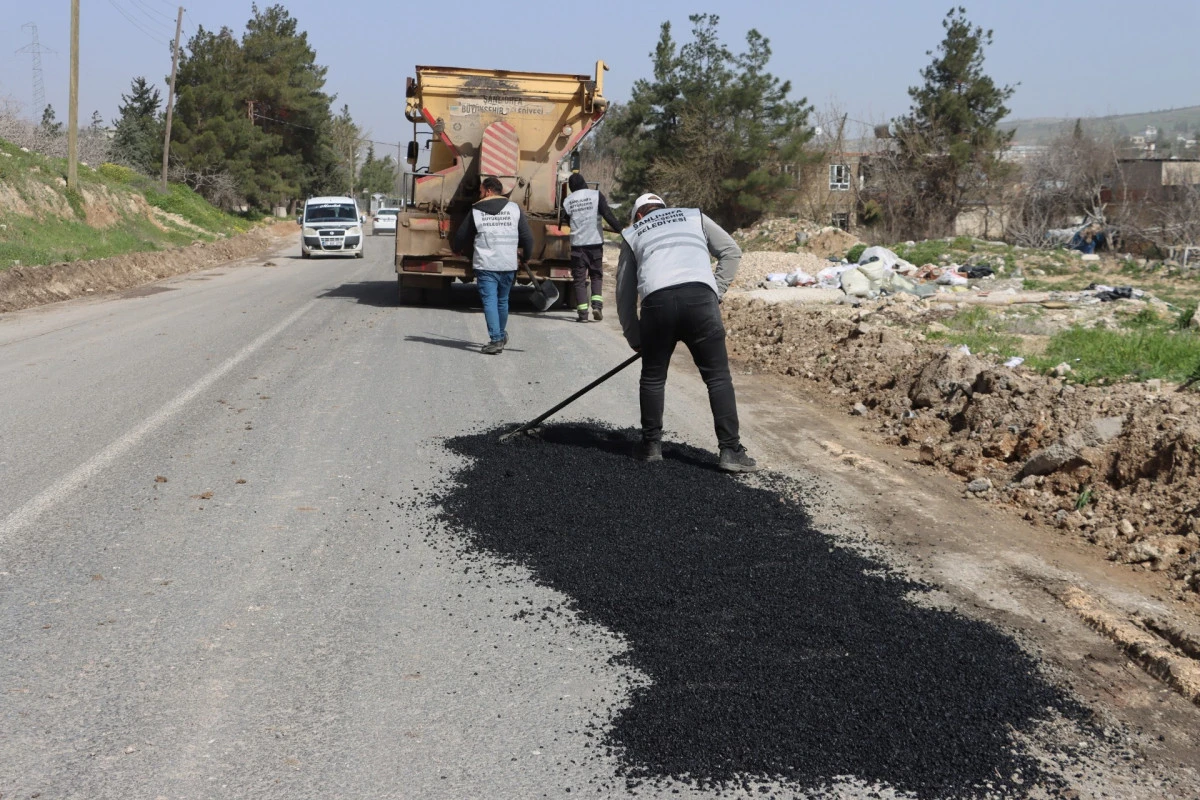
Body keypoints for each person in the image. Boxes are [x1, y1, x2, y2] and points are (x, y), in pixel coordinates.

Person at [615, 193, 757, 473]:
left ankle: (651, 446)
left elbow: (624, 294)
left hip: (658, 304)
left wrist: (635, 337)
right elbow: (731, 251)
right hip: (700, 300)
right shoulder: (694, 216)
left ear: (639, 216)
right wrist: (716, 290)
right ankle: (730, 451)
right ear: (663, 208)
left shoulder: (633, 232)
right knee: (717, 377)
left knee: (653, 377)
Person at [453, 176, 534, 355]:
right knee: (502, 300)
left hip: (486, 264)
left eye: (481, 191)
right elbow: (527, 238)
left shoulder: (476, 210)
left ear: (489, 191)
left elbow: (461, 235)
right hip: (508, 264)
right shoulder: (514, 209)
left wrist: (457, 249)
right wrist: (527, 257)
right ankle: (500, 335)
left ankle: (496, 339)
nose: (479, 195)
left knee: (490, 301)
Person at [561, 172, 623, 323]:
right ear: (584, 183)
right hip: (595, 244)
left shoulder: (568, 201)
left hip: (578, 246)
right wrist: (621, 230)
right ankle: (597, 307)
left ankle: (583, 315)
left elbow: (566, 220)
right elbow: (607, 214)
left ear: (571, 187)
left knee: (579, 280)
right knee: (596, 276)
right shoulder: (596, 195)